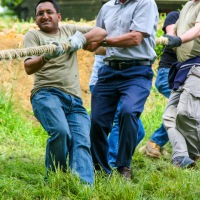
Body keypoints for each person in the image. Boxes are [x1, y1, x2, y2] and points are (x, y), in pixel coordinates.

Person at [23, 0, 107, 184]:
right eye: (40, 13)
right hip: (46, 94)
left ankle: (84, 186)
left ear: (58, 16)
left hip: (74, 100)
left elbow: (101, 31)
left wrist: (80, 39)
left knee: (82, 141)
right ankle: (55, 178)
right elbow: (28, 67)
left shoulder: (69, 30)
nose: (44, 16)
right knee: (61, 132)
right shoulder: (33, 35)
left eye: (49, 12)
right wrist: (46, 56)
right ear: (36, 19)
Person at [89, 0, 158, 179]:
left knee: (128, 111)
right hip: (109, 71)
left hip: (137, 71)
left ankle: (123, 167)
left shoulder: (146, 3)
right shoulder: (107, 7)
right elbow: (98, 43)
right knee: (97, 121)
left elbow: (135, 38)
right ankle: (100, 170)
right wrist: (85, 42)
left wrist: (102, 41)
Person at [89, 50, 145, 168]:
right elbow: (96, 48)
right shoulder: (109, 36)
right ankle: (111, 162)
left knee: (139, 131)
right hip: (104, 81)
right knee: (119, 125)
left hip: (121, 81)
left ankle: (112, 160)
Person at [162, 0, 200, 168]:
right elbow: (175, 27)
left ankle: (196, 154)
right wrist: (169, 36)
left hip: (198, 67)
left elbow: (198, 29)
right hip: (184, 69)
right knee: (170, 116)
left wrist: (178, 40)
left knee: (185, 113)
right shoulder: (188, 5)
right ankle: (181, 157)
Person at [139, 11, 180, 158]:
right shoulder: (175, 15)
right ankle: (154, 143)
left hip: (184, 76)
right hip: (168, 74)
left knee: (183, 110)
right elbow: (172, 35)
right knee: (182, 108)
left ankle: (157, 144)